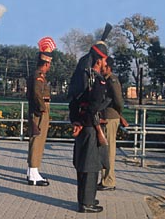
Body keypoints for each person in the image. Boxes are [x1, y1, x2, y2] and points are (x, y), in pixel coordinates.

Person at [69, 41, 109, 213]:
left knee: (83, 165)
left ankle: (85, 199)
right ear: (99, 61)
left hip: (82, 126)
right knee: (91, 167)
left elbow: (73, 103)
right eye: (104, 61)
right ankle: (87, 203)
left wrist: (76, 122)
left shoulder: (83, 77)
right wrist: (89, 123)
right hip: (91, 127)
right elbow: (93, 108)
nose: (105, 64)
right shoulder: (98, 82)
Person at [26, 36, 55, 186]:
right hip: (39, 112)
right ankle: (33, 173)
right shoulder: (38, 76)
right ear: (45, 63)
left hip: (38, 110)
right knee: (37, 141)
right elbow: (37, 94)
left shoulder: (36, 75)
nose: (49, 67)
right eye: (49, 64)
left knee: (36, 140)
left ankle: (32, 171)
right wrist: (43, 109)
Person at [98, 57, 124, 191]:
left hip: (110, 116)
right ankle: (105, 178)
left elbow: (118, 100)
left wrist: (117, 113)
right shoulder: (106, 80)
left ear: (109, 68)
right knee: (104, 148)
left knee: (109, 149)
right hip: (106, 116)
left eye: (104, 66)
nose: (101, 68)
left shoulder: (112, 80)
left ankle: (109, 180)